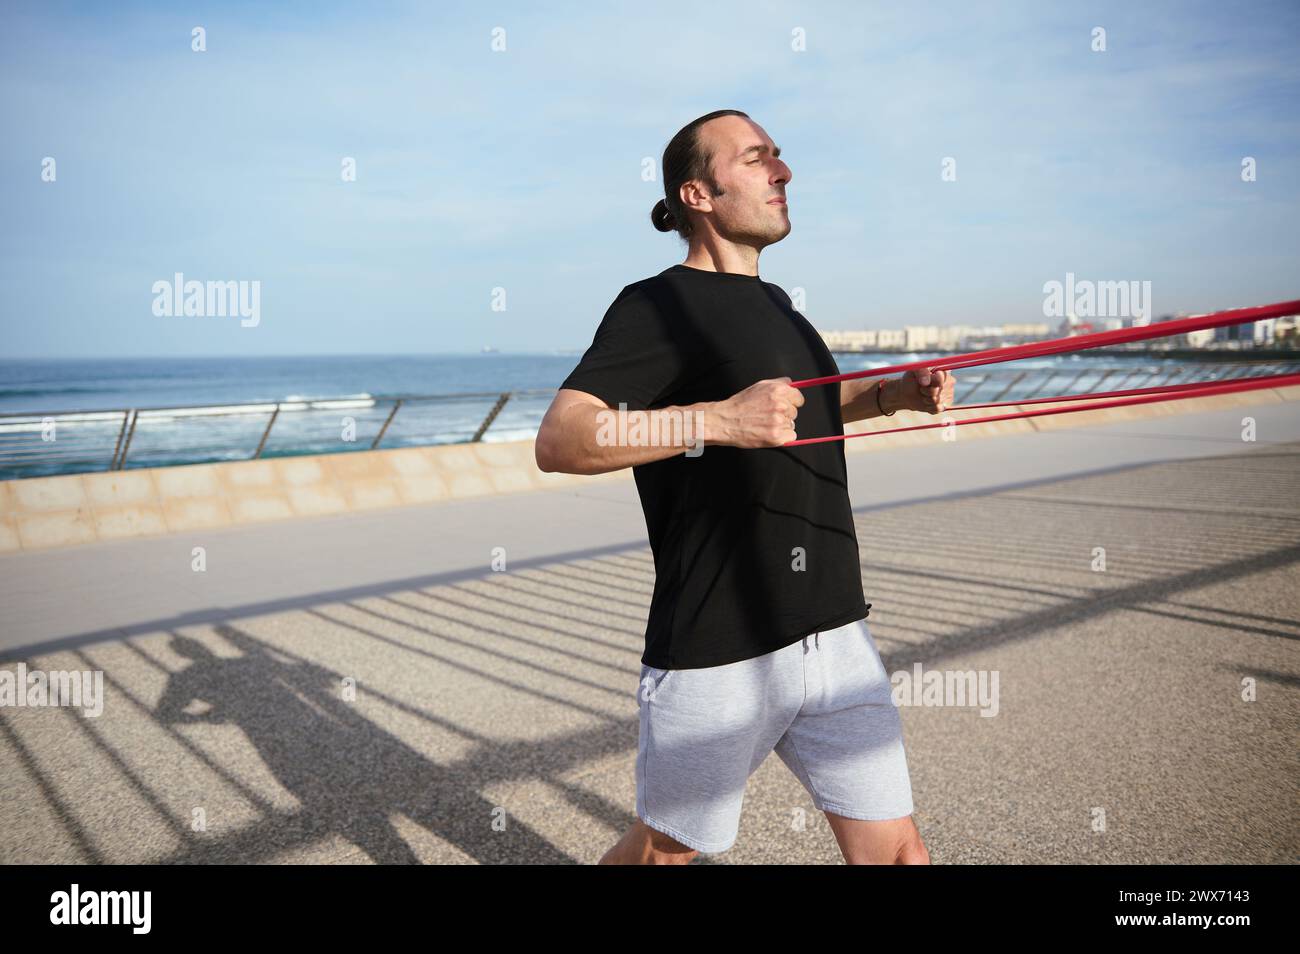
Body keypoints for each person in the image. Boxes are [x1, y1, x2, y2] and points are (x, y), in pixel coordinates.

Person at [534, 109, 954, 864]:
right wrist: (717, 421)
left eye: (780, 158)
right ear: (698, 194)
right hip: (718, 645)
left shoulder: (779, 305)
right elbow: (562, 438)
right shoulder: (656, 305)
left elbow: (800, 408)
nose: (783, 173)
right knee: (666, 850)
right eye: (758, 159)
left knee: (899, 850)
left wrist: (892, 393)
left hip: (834, 629)